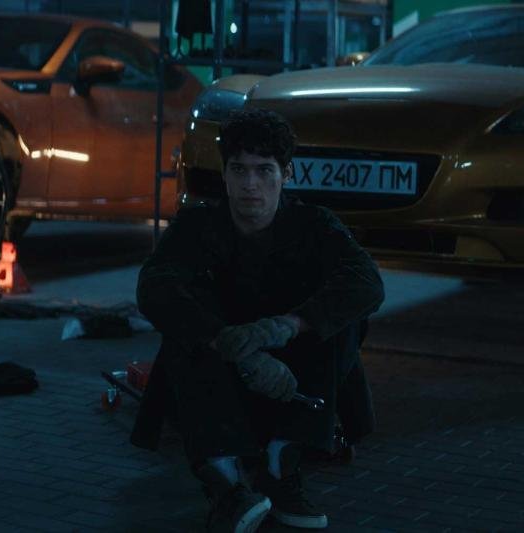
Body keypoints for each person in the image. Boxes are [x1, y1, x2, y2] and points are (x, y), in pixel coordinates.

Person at [131, 108, 385, 532]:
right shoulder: (199, 226)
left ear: (286, 174)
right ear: (225, 174)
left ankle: (283, 462)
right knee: (182, 323)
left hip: (295, 380)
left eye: (264, 170)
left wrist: (287, 326)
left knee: (346, 317)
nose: (250, 184)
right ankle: (226, 483)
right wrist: (228, 343)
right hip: (219, 381)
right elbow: (154, 287)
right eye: (239, 169)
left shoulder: (313, 225)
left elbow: (366, 283)